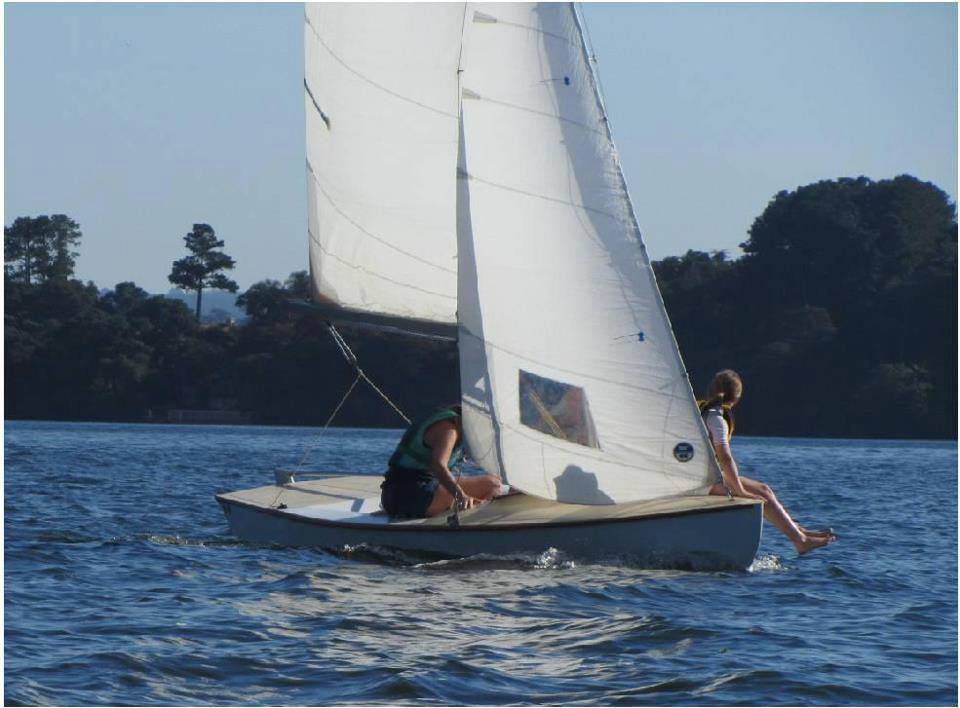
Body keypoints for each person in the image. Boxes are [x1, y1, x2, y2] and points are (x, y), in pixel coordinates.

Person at [700, 370, 837, 555]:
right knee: (760, 494)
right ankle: (800, 540)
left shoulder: (701, 410)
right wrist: (740, 490)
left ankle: (798, 531)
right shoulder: (716, 418)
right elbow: (724, 457)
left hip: (706, 475)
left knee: (765, 490)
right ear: (737, 398)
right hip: (704, 480)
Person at [380, 404, 502, 518]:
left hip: (394, 496)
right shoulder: (449, 430)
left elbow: (485, 461)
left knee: (493, 483)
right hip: (409, 496)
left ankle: (472, 511)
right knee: (492, 485)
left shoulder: (452, 424)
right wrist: (461, 495)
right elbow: (438, 465)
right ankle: (475, 519)